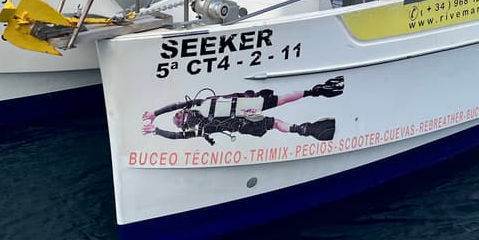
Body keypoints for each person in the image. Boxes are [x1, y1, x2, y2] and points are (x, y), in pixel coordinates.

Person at [141, 77, 344, 145]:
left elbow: (176, 137)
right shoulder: (199, 103)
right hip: (244, 105)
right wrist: (155, 114)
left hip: (244, 124)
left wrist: (156, 128)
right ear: (187, 113)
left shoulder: (200, 129)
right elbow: (176, 105)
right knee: (281, 100)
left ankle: (301, 129)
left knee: (274, 123)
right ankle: (313, 92)